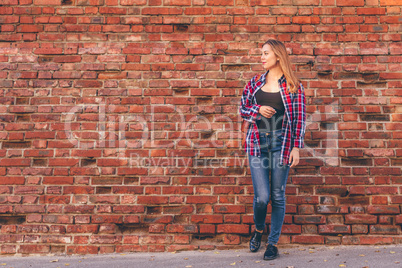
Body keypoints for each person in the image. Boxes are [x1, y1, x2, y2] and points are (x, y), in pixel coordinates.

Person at [239, 39, 306, 260]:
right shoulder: (254, 83)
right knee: (262, 197)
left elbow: (299, 119)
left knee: (277, 195)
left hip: (282, 143)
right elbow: (243, 109)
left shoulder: (293, 85)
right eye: (261, 53)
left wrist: (296, 147)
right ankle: (259, 230)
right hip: (257, 142)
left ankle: (272, 243)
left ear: (277, 55)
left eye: (265, 53)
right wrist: (258, 110)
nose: (262, 57)